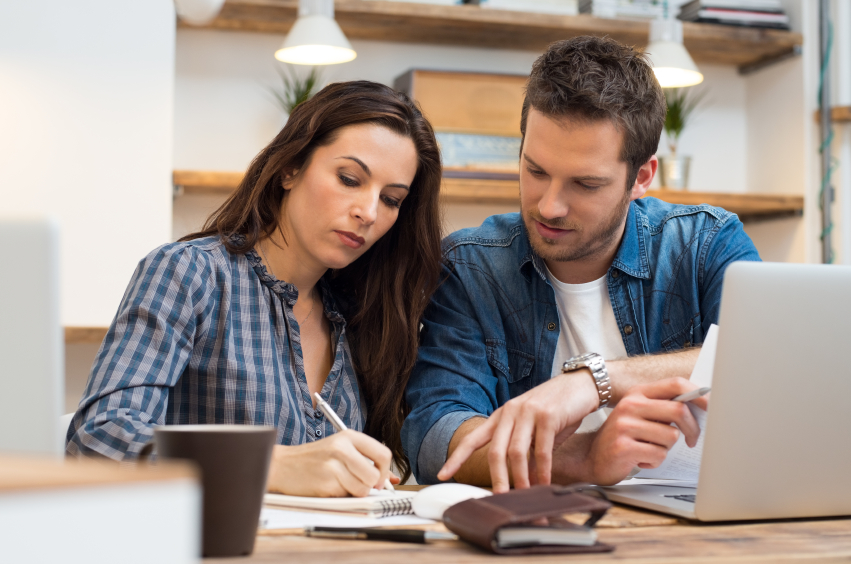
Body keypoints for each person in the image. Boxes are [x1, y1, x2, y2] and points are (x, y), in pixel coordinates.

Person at [402, 36, 760, 492]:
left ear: (641, 178)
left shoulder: (704, 244)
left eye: (585, 184)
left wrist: (594, 381)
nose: (550, 206)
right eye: (535, 171)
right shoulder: (470, 266)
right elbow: (436, 438)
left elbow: (769, 360)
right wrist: (583, 459)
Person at [66, 81, 443, 497]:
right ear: (290, 168)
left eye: (391, 200)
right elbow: (96, 440)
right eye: (349, 178)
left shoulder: (363, 317)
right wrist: (270, 466)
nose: (368, 212)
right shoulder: (190, 274)